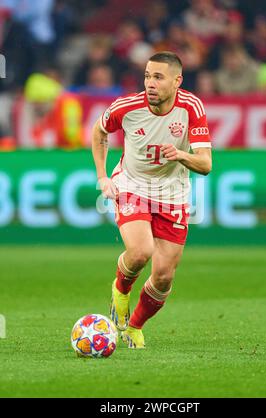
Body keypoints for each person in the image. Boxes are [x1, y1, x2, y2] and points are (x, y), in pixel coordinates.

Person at [91, 51, 212, 349]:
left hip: (173, 194)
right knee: (140, 251)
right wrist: (103, 177)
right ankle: (120, 290)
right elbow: (100, 131)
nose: (150, 83)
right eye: (147, 76)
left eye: (158, 77)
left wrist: (182, 155)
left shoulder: (191, 107)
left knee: (163, 276)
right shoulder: (127, 107)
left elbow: (206, 165)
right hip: (132, 184)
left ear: (176, 81)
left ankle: (134, 327)